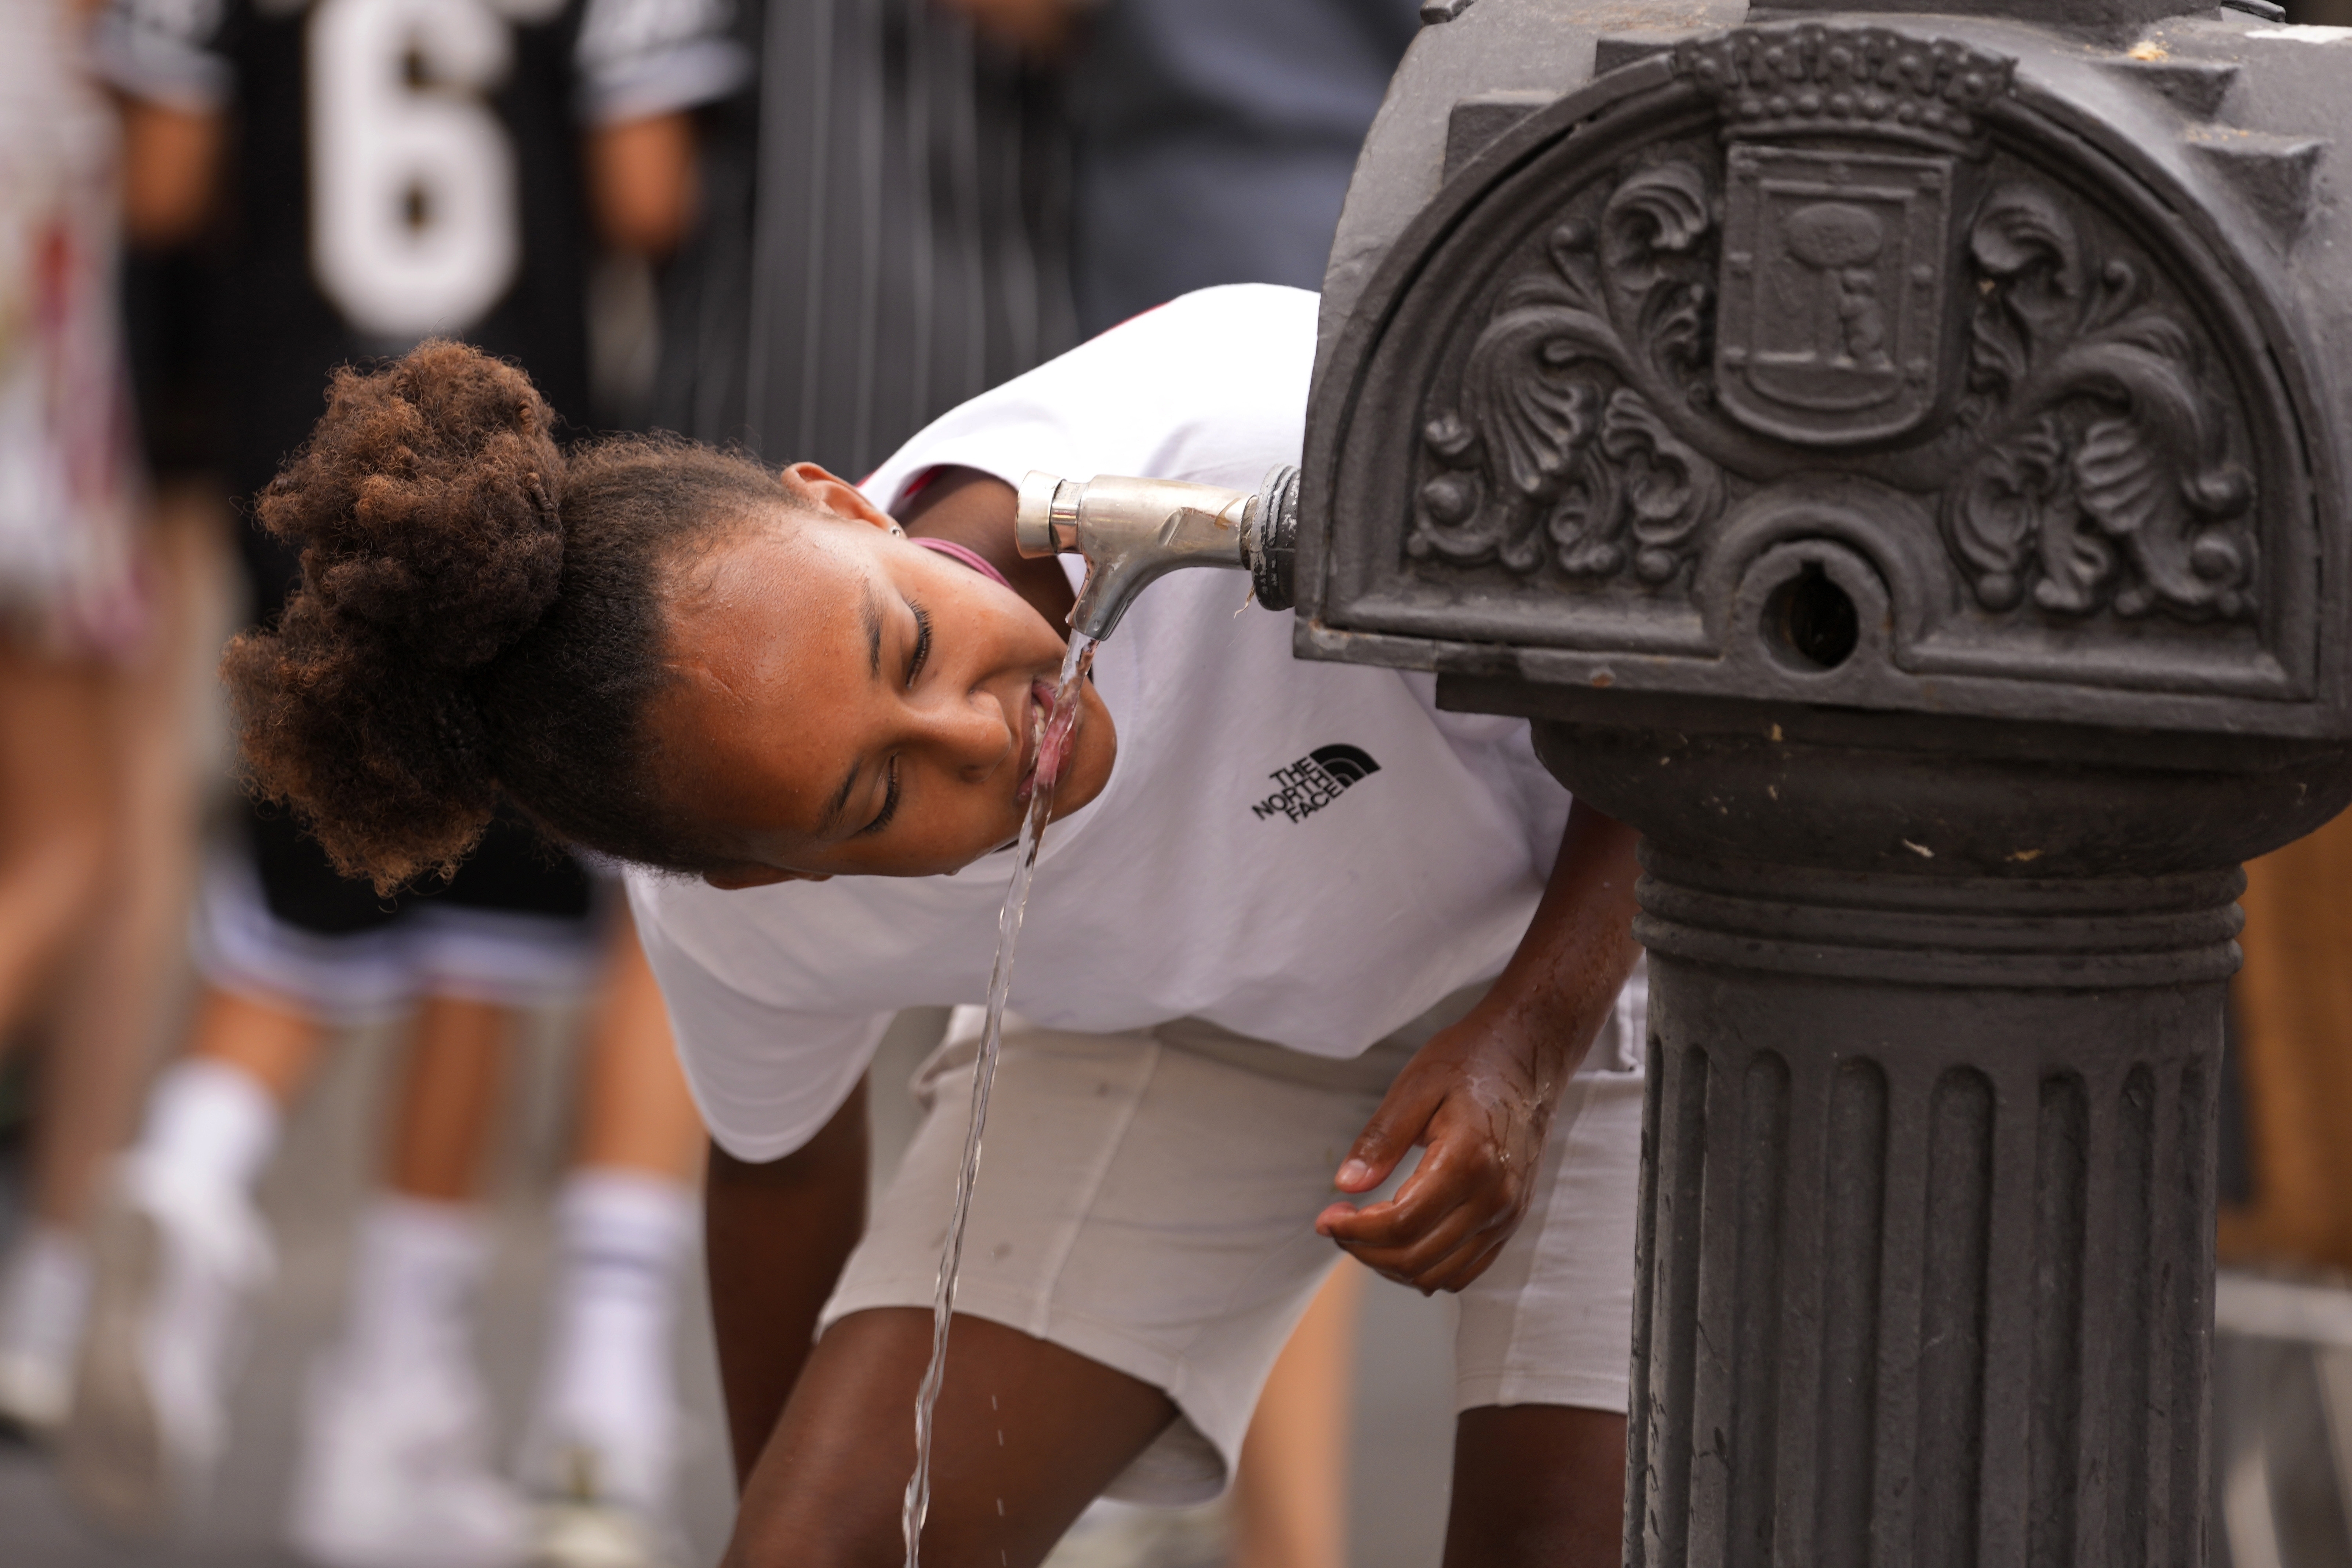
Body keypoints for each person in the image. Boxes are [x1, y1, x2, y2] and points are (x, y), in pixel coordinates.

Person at [212, 281, 1646, 1568]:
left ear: (842, 504)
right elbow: (775, 1174)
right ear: (769, 877)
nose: (986, 728)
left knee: (1554, 1537)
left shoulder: (1247, 442)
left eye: (904, 639)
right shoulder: (737, 913)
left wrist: (1528, 1036)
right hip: (1215, 1018)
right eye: (879, 792)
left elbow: (1709, 673)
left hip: (1623, 904)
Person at [67, 0, 745, 1557]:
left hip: (292, 434)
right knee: (487, 920)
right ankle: (392, 1390)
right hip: (501, 447)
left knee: (317, 859)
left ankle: (200, 1172)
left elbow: (163, 180)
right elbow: (647, 191)